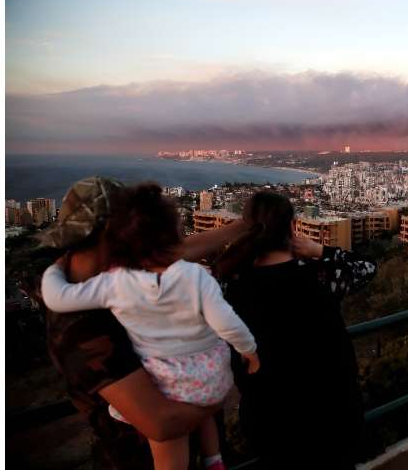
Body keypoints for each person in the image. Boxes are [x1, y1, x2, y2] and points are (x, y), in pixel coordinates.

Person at [41, 182, 260, 470]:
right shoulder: (80, 326)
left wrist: (244, 225)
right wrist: (216, 394)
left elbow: (173, 254)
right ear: (115, 235)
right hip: (141, 458)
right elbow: (163, 425)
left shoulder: (123, 275)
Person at [214, 191, 377, 469]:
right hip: (333, 413)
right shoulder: (320, 276)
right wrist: (320, 250)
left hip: (271, 419)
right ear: (292, 228)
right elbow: (367, 267)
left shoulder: (231, 287)